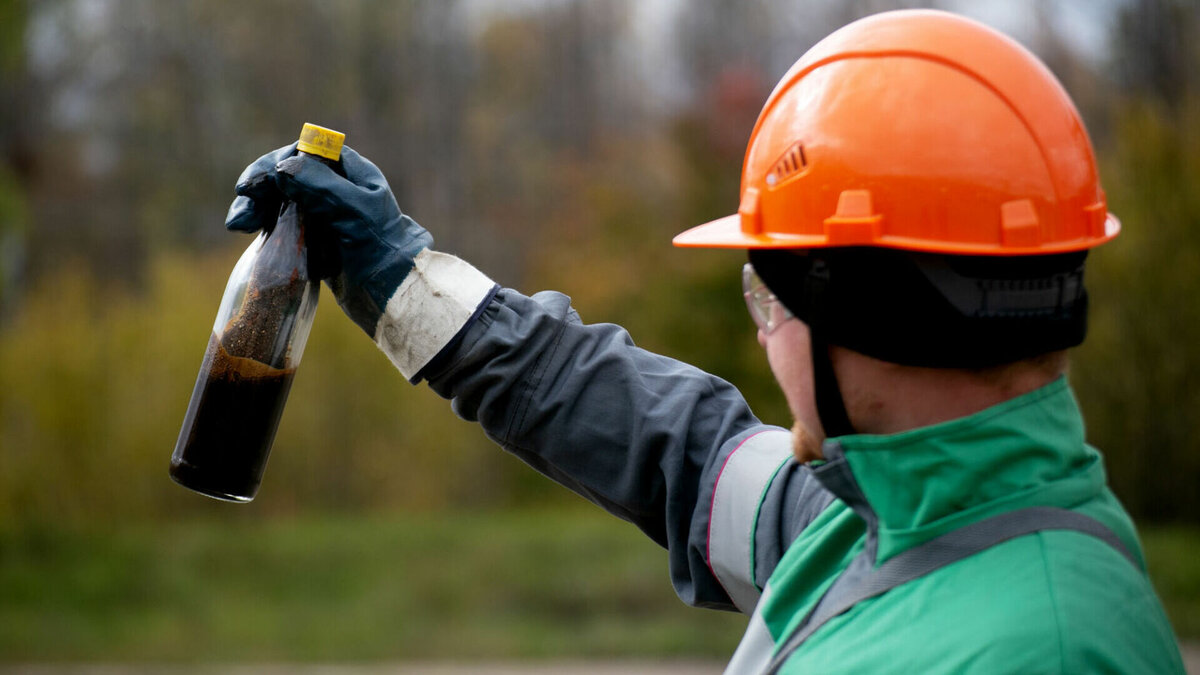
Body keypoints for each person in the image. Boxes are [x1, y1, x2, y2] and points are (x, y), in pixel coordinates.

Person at [225, 9, 1185, 674]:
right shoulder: (865, 515)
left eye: (767, 298)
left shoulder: (1039, 650)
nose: (764, 336)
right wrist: (405, 281)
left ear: (864, 313)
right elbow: (675, 446)